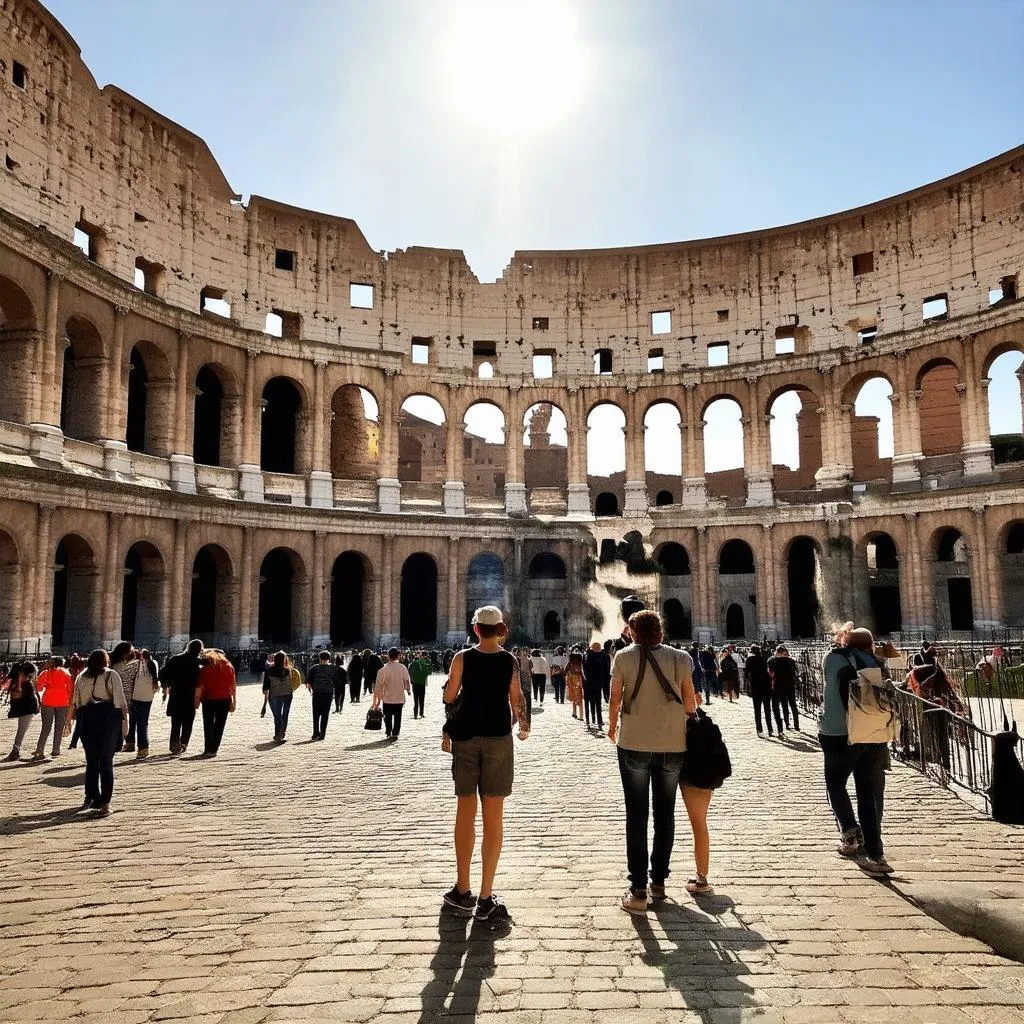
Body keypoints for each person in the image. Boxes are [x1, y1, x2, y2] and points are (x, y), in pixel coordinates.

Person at [441, 606, 528, 921]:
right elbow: (516, 698)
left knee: (465, 811)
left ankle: (462, 890)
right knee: (494, 818)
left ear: (476, 629)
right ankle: (486, 896)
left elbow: (451, 695)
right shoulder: (509, 660)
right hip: (498, 737)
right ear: (501, 629)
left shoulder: (462, 658)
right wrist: (524, 725)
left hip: (465, 738)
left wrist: (451, 696)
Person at [607, 609, 697, 914]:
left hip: (633, 742)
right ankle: (659, 881)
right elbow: (690, 704)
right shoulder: (681, 658)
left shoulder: (623, 657)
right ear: (661, 630)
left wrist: (610, 727)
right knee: (665, 814)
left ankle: (638, 889)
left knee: (636, 816)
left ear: (632, 632)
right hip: (673, 744)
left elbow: (615, 697)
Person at [820, 625, 893, 875]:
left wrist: (841, 641)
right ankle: (876, 855)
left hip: (838, 733)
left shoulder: (833, 658)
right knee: (867, 795)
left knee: (835, 785)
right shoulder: (874, 661)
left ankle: (850, 834)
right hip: (870, 733)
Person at [69, 649, 128, 815]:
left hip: (87, 722)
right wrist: (126, 722)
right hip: (108, 722)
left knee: (92, 761)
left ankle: (91, 797)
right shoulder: (111, 675)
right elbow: (120, 701)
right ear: (105, 661)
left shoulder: (81, 677)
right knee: (106, 761)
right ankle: (105, 802)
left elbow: (77, 703)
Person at [162, 639, 204, 754]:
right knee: (188, 722)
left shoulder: (175, 659)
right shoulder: (198, 662)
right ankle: (184, 743)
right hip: (190, 695)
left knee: (176, 723)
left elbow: (163, 673)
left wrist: (166, 686)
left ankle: (174, 745)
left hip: (176, 694)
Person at [196, 648, 236, 757]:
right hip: (224, 699)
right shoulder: (229, 666)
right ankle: (214, 750)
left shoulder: (206, 668)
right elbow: (232, 685)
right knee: (219, 725)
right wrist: (233, 701)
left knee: (208, 724)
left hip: (208, 699)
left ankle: (207, 748)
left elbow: (200, 685)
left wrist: (197, 700)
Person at [32, 657, 73, 760]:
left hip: (48, 700)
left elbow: (39, 688)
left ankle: (40, 749)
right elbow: (70, 689)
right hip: (62, 701)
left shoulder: (45, 673)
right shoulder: (66, 673)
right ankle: (56, 749)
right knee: (59, 727)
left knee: (46, 727)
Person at [373, 647, 411, 740]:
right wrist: (408, 690)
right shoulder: (402, 667)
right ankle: (395, 732)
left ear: (388, 656)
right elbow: (406, 680)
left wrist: (378, 698)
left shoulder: (383, 669)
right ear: (398, 656)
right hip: (399, 697)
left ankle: (388, 730)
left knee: (387, 716)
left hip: (387, 698)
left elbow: (379, 685)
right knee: (398, 716)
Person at [5, 661, 39, 761]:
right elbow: (16, 695)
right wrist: (20, 681)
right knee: (21, 731)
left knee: (21, 731)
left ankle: (15, 751)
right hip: (26, 710)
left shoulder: (21, 683)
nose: (32, 676)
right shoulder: (21, 684)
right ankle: (15, 751)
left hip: (26, 709)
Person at [129, 649, 160, 758]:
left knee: (139, 722)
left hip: (137, 696)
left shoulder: (140, 664)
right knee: (142, 722)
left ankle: (142, 747)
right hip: (146, 696)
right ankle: (142, 747)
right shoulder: (152, 663)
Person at [110, 642, 140, 752]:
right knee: (130, 720)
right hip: (128, 696)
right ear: (125, 653)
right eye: (131, 651)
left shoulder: (115, 665)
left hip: (118, 696)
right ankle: (129, 742)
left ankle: (121, 742)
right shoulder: (125, 665)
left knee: (121, 720)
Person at [306, 651, 340, 740]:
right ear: (329, 659)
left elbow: (309, 681)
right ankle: (322, 734)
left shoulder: (314, 668)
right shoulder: (333, 668)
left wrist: (313, 688)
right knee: (325, 714)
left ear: (320, 658)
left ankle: (315, 733)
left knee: (316, 714)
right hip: (328, 693)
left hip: (317, 693)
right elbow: (337, 682)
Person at [262, 651, 294, 744]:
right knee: (285, 714)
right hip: (288, 694)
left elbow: (266, 686)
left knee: (277, 716)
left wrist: (265, 695)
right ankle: (282, 733)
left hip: (275, 695)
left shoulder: (269, 670)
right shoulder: (288, 670)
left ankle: (277, 735)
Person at [767, 645, 800, 733]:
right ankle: (796, 725)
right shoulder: (791, 661)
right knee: (793, 705)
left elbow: (770, 673)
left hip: (777, 686)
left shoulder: (771, 661)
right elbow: (795, 672)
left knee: (777, 706)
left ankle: (781, 726)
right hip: (790, 685)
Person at [744, 644, 774, 737]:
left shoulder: (749, 660)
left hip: (756, 686)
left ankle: (759, 729)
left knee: (757, 710)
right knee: (767, 708)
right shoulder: (765, 658)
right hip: (766, 685)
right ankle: (770, 729)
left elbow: (746, 674)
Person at [582, 642, 609, 731]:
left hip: (588, 682)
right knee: (598, 702)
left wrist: (586, 679)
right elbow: (606, 672)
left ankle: (588, 719)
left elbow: (584, 669)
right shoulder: (603, 656)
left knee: (588, 702)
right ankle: (599, 721)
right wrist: (605, 686)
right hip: (598, 682)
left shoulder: (586, 655)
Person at [409, 650, 433, 719]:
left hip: (415, 683)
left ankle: (415, 714)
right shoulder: (426, 663)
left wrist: (411, 679)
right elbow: (429, 672)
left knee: (415, 700)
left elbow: (409, 671)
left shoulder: (414, 663)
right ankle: (421, 713)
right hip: (422, 683)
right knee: (422, 699)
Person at [565, 650, 585, 720]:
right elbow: (583, 674)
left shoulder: (570, 664)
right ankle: (581, 715)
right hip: (579, 682)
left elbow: (566, 671)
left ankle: (574, 712)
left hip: (571, 682)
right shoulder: (581, 664)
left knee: (573, 698)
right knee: (580, 699)